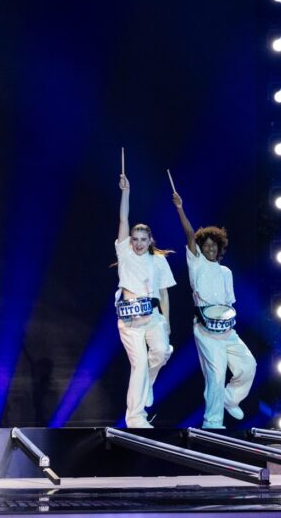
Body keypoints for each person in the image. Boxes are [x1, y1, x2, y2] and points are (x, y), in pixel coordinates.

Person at [172, 190, 256, 429]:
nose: (209, 249)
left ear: (219, 248)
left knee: (249, 365)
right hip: (206, 330)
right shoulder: (196, 263)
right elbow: (189, 233)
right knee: (216, 376)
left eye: (213, 246)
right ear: (200, 248)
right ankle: (213, 422)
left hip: (227, 330)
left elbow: (230, 304)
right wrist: (180, 207)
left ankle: (231, 399)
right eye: (205, 246)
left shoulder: (226, 272)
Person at [115, 173, 175, 428]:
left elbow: (164, 293)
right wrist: (126, 192)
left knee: (161, 351)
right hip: (129, 320)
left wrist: (168, 323)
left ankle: (147, 384)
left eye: (142, 239)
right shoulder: (125, 253)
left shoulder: (158, 261)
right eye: (135, 239)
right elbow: (123, 218)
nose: (138, 243)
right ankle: (135, 417)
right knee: (138, 364)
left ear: (150, 240)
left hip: (152, 317)